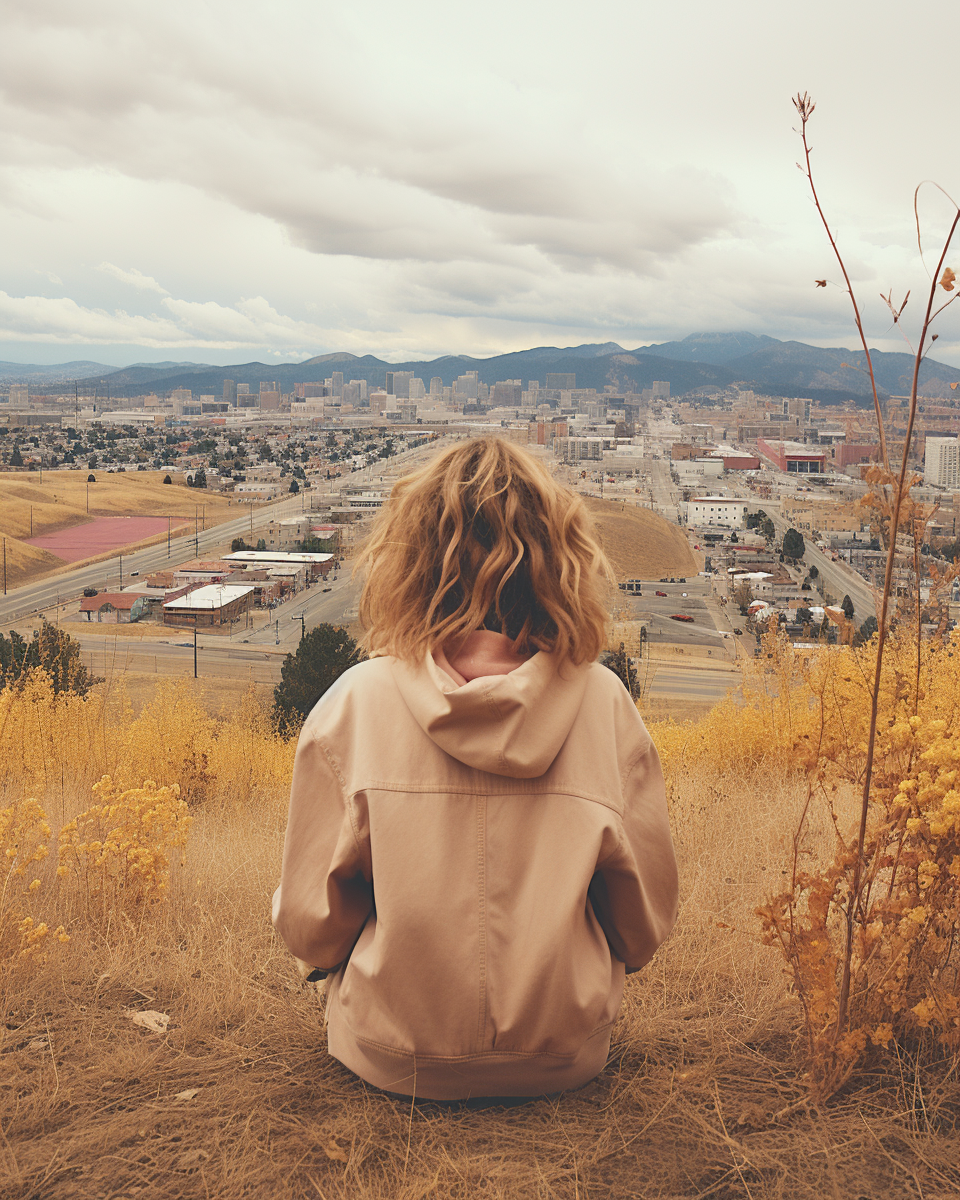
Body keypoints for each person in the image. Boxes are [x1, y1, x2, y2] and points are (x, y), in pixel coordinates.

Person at [272, 437, 678, 1101]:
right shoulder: (605, 705)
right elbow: (641, 928)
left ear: (412, 560)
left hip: (389, 1052)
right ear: (561, 558)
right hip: (565, 1056)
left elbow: (313, 930)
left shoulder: (355, 702)